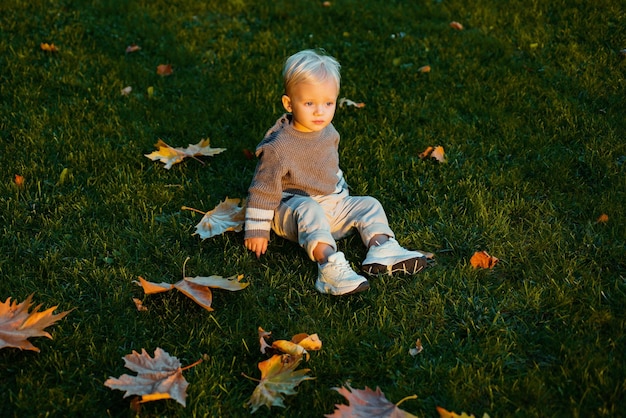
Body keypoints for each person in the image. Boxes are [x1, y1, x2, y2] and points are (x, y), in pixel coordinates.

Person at [244, 49, 431, 295]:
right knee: (309, 210)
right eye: (309, 103)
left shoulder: (328, 131)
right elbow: (263, 189)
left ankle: (382, 248)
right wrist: (256, 230)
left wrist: (341, 197)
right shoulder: (279, 147)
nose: (320, 111)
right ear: (289, 103)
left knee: (369, 204)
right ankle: (329, 266)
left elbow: (328, 167)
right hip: (293, 211)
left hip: (331, 205)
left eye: (328, 103)